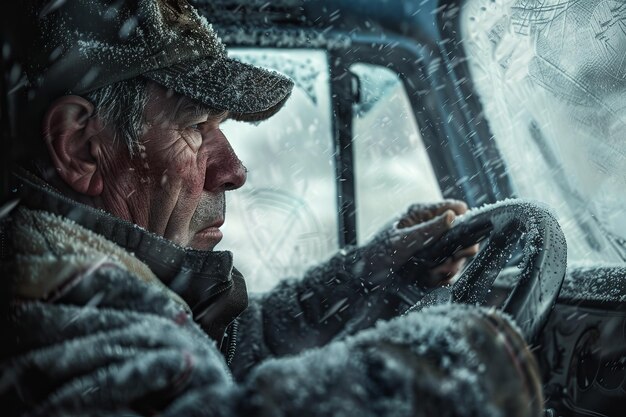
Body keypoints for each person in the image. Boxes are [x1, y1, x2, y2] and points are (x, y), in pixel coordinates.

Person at [0, 1, 543, 416]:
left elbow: (237, 349)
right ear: (80, 148)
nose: (235, 170)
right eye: (196, 128)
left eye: (222, 130)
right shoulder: (58, 302)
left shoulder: (113, 282)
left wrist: (373, 274)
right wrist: (468, 362)